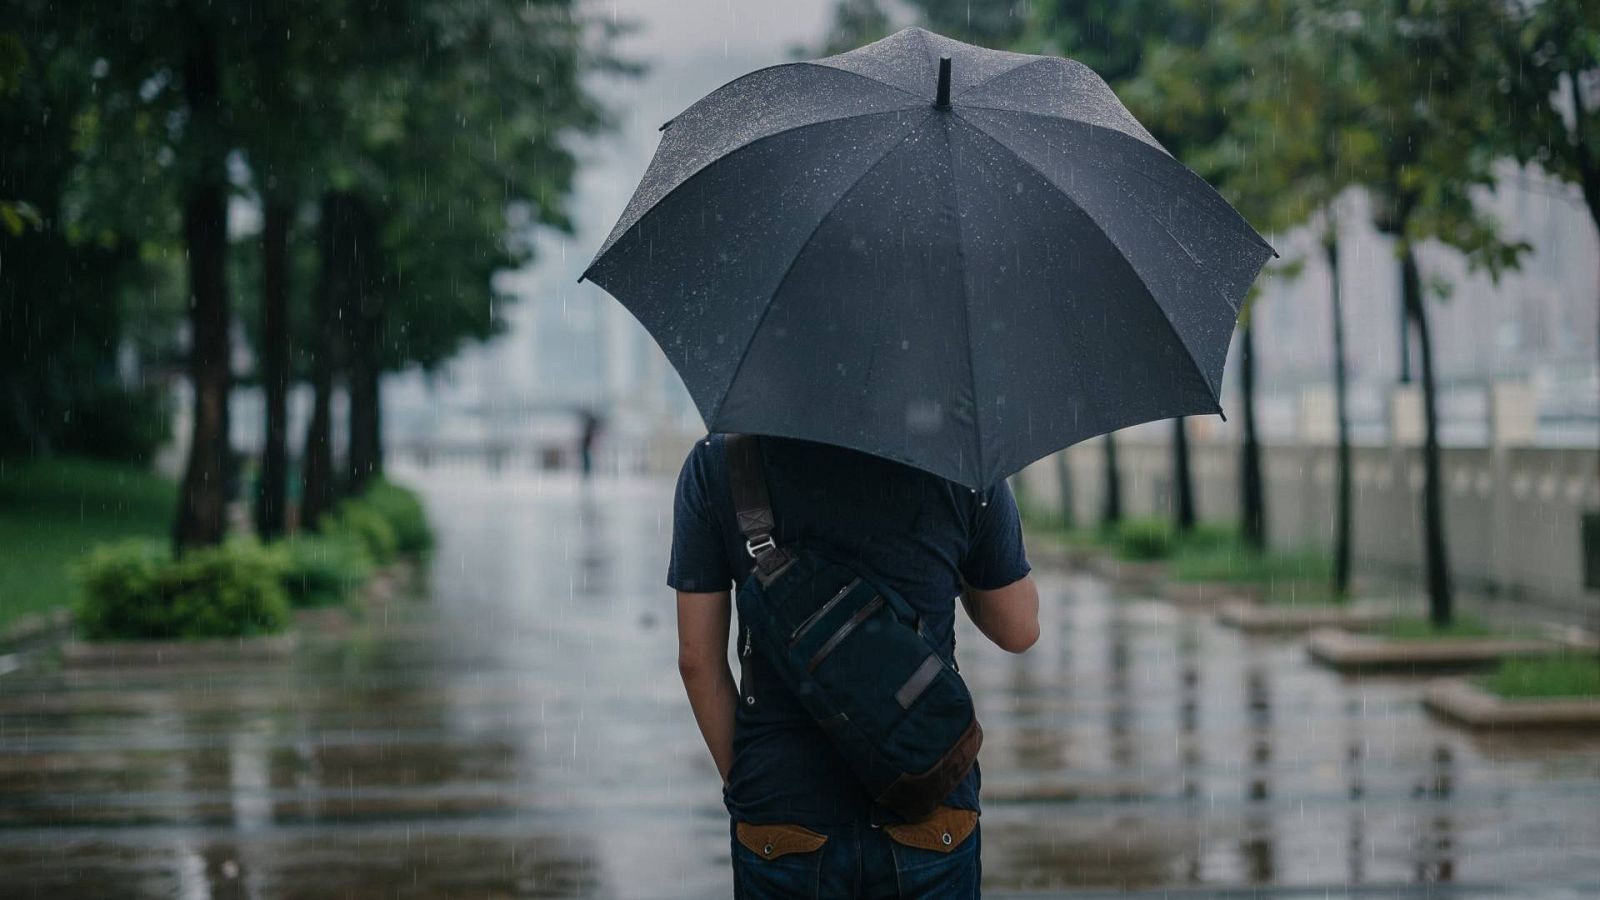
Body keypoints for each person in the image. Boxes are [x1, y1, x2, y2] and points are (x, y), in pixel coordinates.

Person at [670, 433, 1039, 899]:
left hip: (783, 813)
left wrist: (753, 787)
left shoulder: (721, 460)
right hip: (927, 798)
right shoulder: (963, 457)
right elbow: (1019, 628)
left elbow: (697, 661)